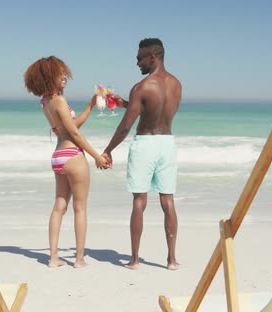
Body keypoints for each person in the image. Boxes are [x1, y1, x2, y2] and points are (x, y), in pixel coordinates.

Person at [101, 38, 182, 270]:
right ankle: (172, 260)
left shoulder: (141, 87)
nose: (136, 63)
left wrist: (107, 150)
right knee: (168, 200)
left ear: (152, 57)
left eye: (139, 58)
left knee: (139, 200)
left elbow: (126, 126)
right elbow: (153, 110)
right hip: (167, 143)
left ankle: (135, 260)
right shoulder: (177, 85)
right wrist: (125, 103)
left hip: (145, 143)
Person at [24, 56, 110, 268]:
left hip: (58, 157)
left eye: (64, 73)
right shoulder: (59, 101)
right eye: (60, 73)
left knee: (59, 207)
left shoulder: (45, 102)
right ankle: (79, 259)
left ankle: (53, 258)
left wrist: (91, 105)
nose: (64, 77)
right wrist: (96, 156)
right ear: (49, 76)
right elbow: (74, 133)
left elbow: (70, 126)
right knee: (80, 208)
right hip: (73, 156)